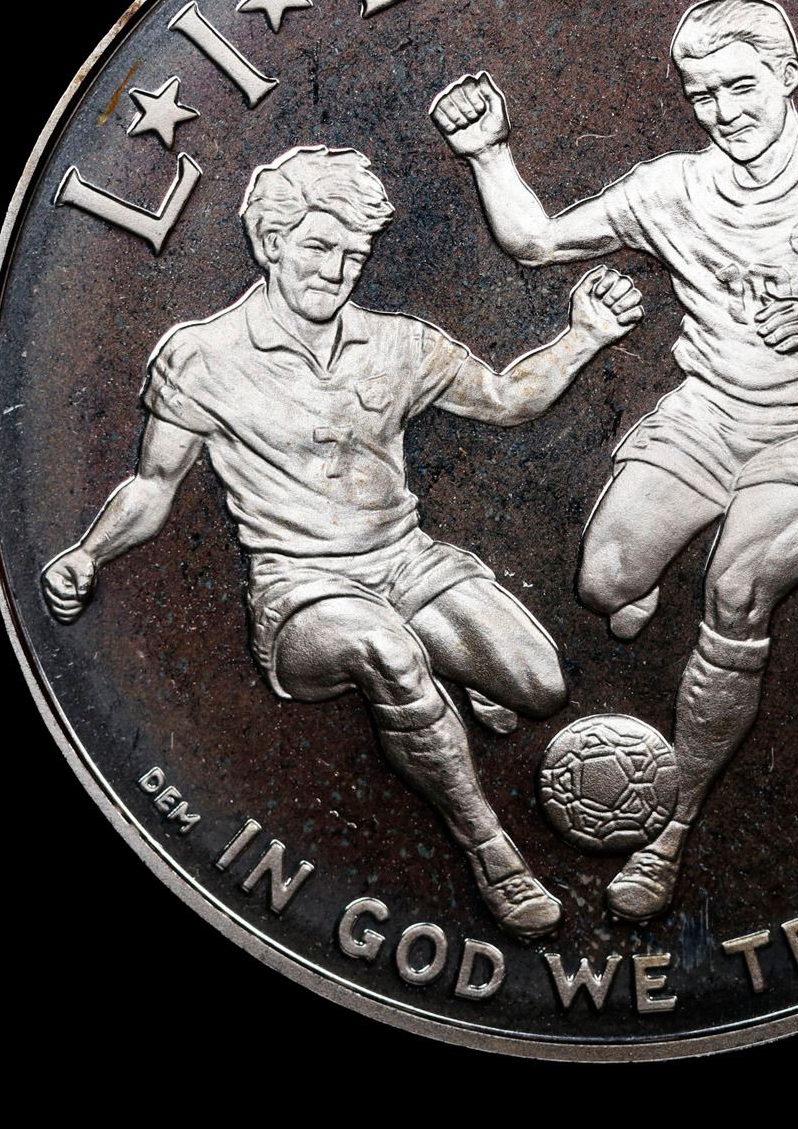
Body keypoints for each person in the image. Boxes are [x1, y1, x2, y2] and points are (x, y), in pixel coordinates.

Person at [431, 0, 798, 921]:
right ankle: (641, 584)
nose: (722, 111)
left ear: (787, 74)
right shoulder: (673, 188)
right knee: (603, 585)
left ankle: (671, 834)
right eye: (702, 94)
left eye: (740, 87)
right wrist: (486, 151)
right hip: (704, 416)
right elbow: (536, 241)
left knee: (736, 592)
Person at [41, 144, 642, 938]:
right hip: (303, 593)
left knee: (541, 687)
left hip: (407, 562)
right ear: (270, 242)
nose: (336, 270)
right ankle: (490, 851)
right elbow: (153, 486)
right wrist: (88, 553)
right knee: (387, 652)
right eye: (319, 247)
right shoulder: (202, 358)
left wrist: (584, 335)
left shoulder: (398, 344)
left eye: (353, 255)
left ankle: (460, 673)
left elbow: (504, 399)